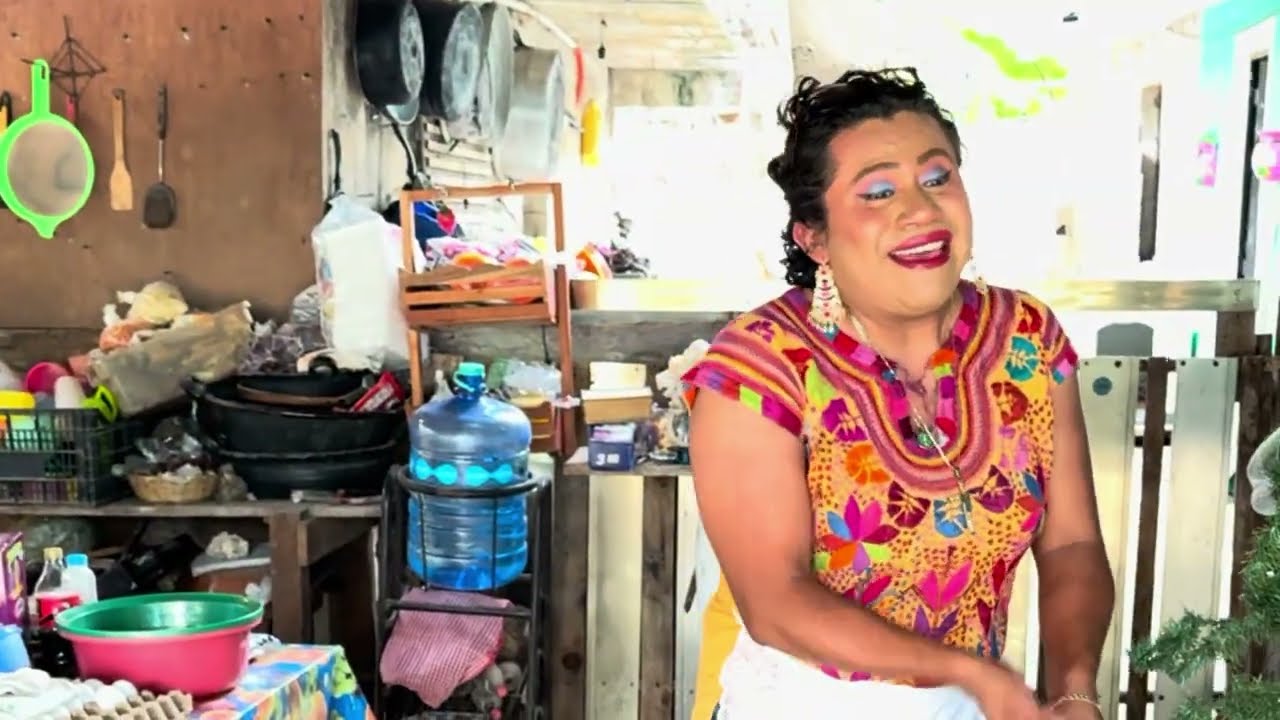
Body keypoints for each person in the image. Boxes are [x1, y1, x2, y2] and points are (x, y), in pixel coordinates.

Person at [681, 68, 1115, 719]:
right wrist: (969, 671)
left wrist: (1075, 686)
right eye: (878, 192)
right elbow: (776, 602)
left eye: (937, 178)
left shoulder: (1028, 339)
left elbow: (1072, 544)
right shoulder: (761, 363)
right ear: (815, 237)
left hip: (972, 704)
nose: (920, 209)